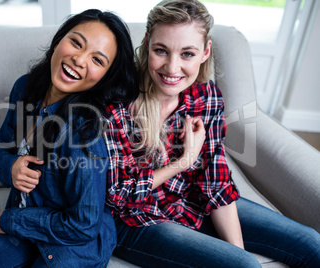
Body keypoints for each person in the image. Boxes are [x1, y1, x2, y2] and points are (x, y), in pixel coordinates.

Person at [103, 0, 320, 267]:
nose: (172, 68)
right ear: (147, 43)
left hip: (191, 200)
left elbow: (216, 181)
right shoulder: (118, 101)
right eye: (162, 50)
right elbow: (118, 196)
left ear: (205, 52)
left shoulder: (205, 98)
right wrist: (183, 161)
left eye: (187, 54)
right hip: (134, 218)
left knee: (312, 243)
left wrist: (237, 252)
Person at [0, 9, 138, 268]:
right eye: (76, 42)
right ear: (59, 39)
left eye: (97, 60)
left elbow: (83, 225)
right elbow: (3, 153)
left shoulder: (84, 135)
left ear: (105, 77)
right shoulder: (24, 88)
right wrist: (11, 167)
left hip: (73, 244)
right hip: (25, 230)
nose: (79, 60)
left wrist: (12, 220)